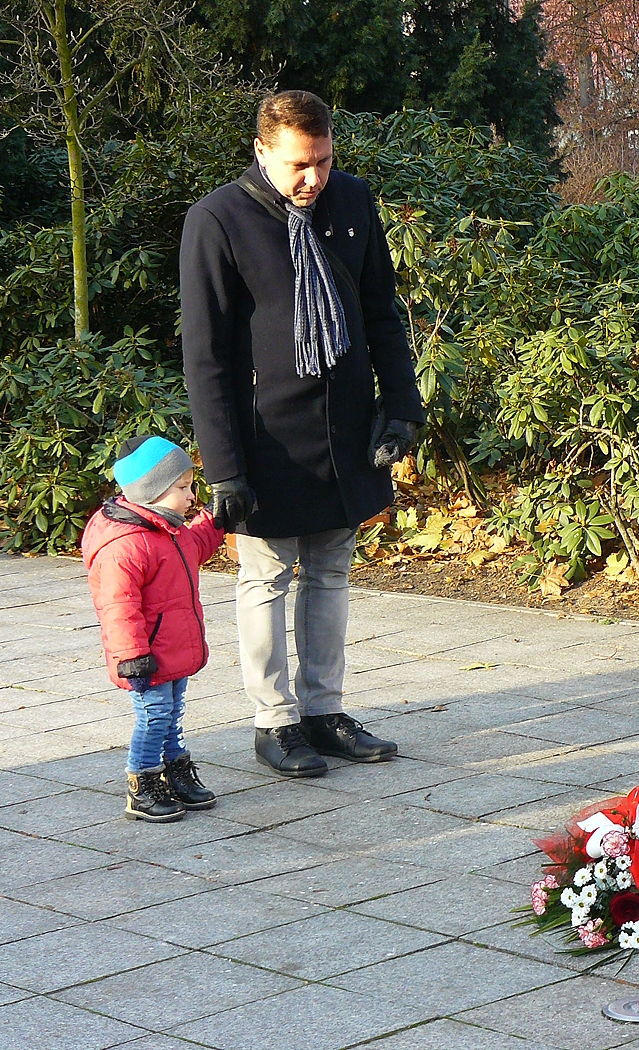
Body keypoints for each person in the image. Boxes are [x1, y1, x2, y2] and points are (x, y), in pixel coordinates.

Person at [180, 90, 425, 778]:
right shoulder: (217, 219)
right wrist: (224, 467)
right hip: (267, 435)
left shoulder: (352, 201)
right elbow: (205, 356)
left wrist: (402, 406)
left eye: (323, 160)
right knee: (265, 576)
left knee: (331, 571)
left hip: (345, 425)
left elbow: (381, 313)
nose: (313, 178)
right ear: (262, 151)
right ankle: (274, 722)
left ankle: (324, 713)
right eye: (298, 165)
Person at [83, 436, 226, 822]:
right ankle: (142, 782)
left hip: (171, 647)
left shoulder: (167, 529)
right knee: (155, 715)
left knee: (172, 713)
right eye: (183, 488)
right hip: (146, 655)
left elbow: (196, 546)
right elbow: (118, 607)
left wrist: (217, 518)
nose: (191, 496)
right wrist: (132, 656)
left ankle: (175, 770)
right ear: (152, 491)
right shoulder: (126, 545)